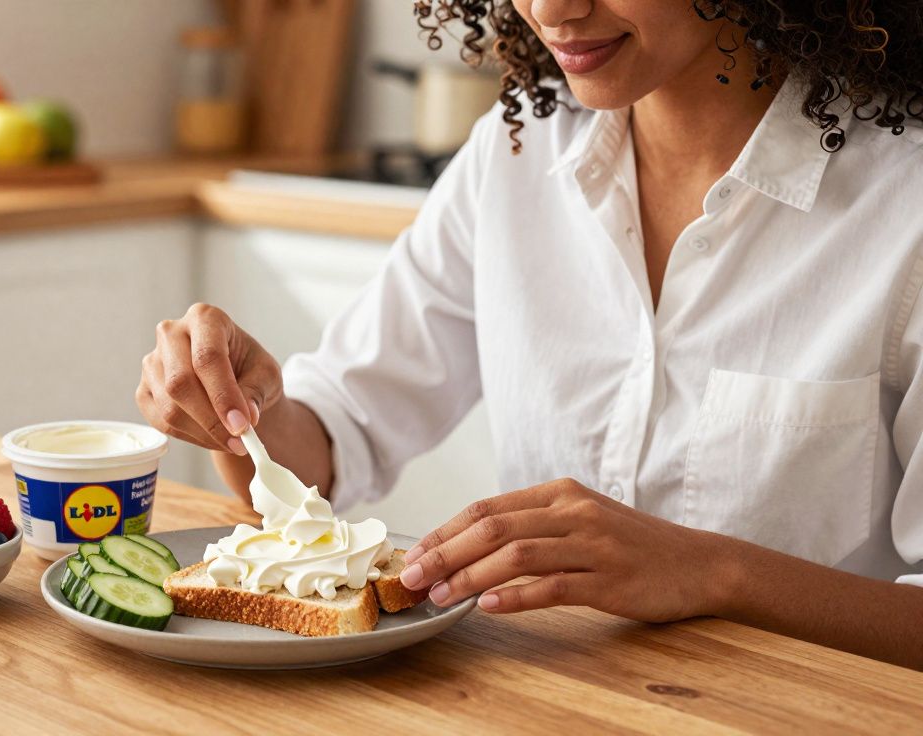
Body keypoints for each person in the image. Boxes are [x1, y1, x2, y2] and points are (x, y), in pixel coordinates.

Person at [136, 1, 923, 667]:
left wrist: (716, 572)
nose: (550, 9)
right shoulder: (518, 149)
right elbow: (329, 447)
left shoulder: (904, 206)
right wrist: (242, 412)